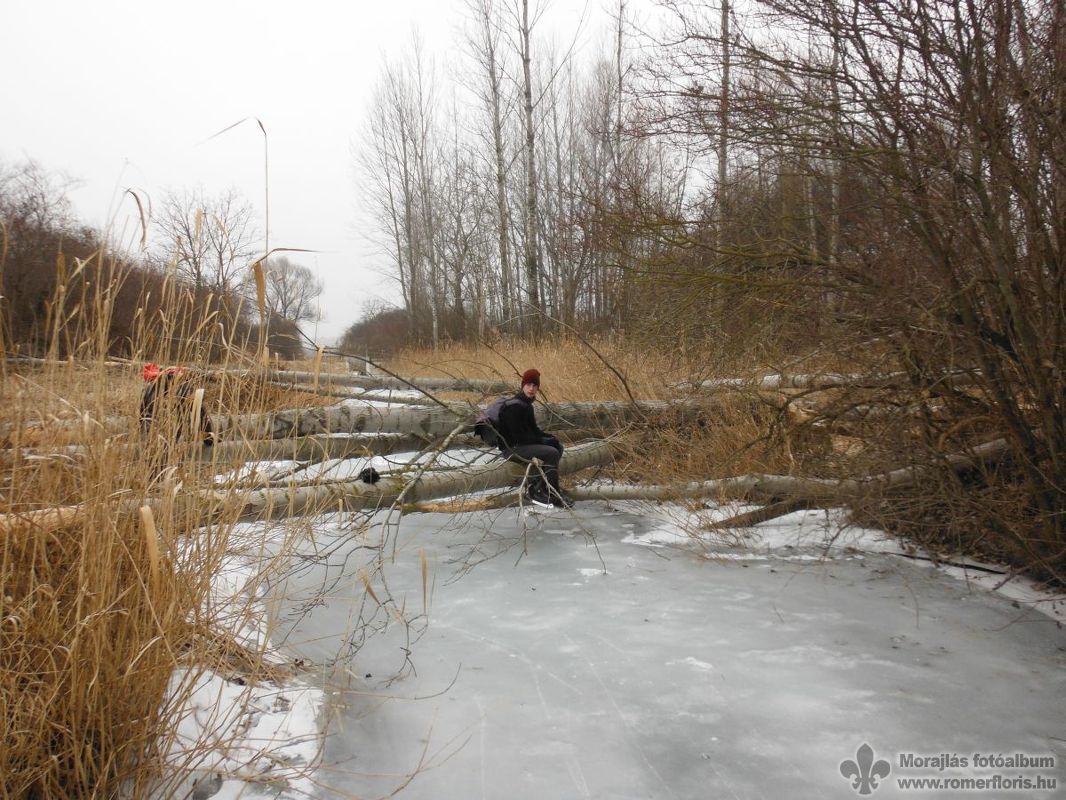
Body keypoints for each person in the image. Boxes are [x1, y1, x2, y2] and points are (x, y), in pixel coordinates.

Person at [495, 368, 573, 508]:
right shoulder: (514, 406)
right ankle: (552, 494)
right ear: (523, 385)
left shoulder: (527, 405)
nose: (531, 388)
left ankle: (538, 486)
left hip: (522, 446)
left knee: (557, 447)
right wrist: (542, 441)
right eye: (528, 385)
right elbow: (517, 436)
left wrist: (550, 438)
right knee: (552, 453)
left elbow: (533, 431)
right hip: (512, 449)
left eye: (534, 386)